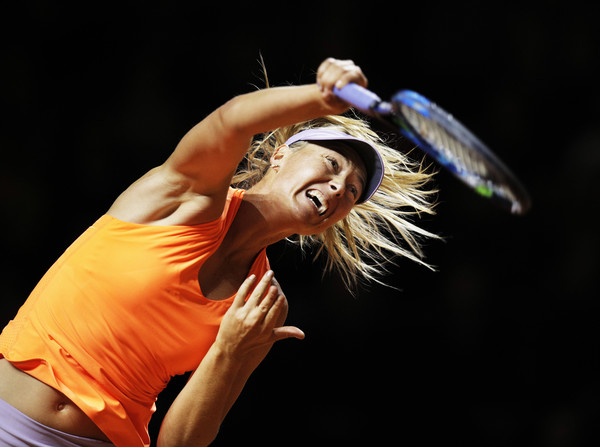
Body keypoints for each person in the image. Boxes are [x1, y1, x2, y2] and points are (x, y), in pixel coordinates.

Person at [0, 57, 438, 446]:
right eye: (332, 164)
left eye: (353, 190)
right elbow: (231, 121)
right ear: (281, 155)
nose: (340, 187)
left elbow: (179, 442)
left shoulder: (258, 304)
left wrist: (231, 351)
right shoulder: (186, 196)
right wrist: (320, 98)